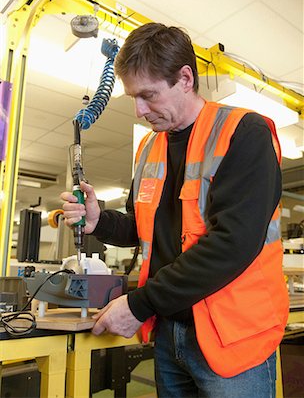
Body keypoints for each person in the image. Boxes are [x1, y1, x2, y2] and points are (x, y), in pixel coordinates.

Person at [61, 23, 289, 398]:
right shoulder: (150, 147)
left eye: (148, 95)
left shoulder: (244, 132)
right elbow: (144, 228)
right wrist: (99, 220)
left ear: (185, 78)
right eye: (133, 97)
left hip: (233, 336)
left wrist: (139, 304)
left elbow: (232, 243)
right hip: (170, 332)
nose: (138, 111)